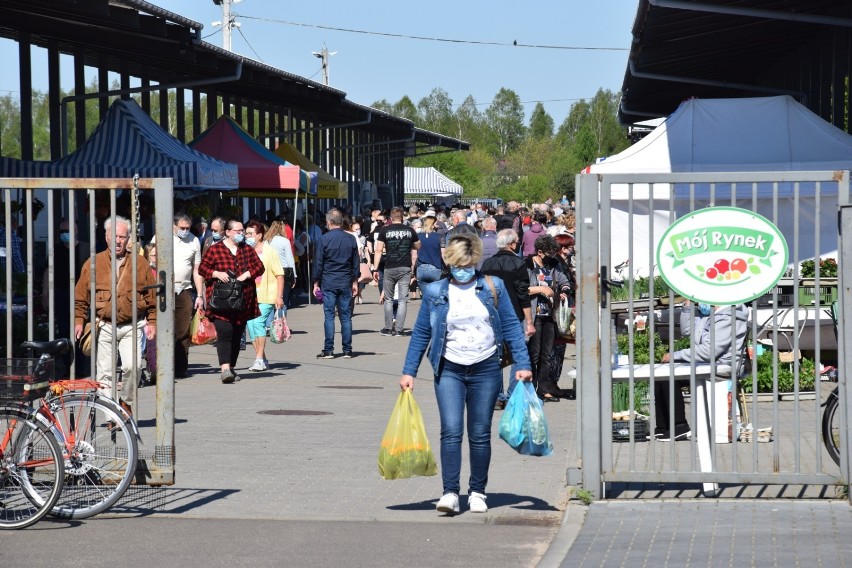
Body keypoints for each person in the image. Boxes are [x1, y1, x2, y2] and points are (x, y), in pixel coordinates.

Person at [400, 234, 533, 515]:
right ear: (450, 262)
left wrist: (523, 363)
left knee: (479, 434)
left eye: (468, 263)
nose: (463, 269)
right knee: (450, 431)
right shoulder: (436, 291)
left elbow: (511, 325)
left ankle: (477, 492)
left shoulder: (492, 286)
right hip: (448, 369)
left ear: (475, 262)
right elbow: (422, 332)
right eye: (458, 264)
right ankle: (450, 492)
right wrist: (408, 371)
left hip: (486, 369)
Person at [74, 215, 157, 406]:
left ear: (128, 239)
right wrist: (79, 320)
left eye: (123, 236)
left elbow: (150, 297)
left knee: (133, 367)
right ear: (106, 237)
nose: (118, 241)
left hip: (132, 324)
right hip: (104, 325)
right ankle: (111, 411)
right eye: (115, 236)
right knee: (105, 373)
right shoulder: (93, 263)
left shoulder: (140, 263)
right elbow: (81, 296)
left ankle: (125, 402)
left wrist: (152, 321)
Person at [657, 302, 749, 440]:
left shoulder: (727, 317)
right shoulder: (710, 315)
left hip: (723, 366)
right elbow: (687, 331)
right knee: (661, 374)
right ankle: (663, 427)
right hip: (706, 364)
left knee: (669, 376)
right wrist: (687, 308)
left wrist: (675, 355)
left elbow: (709, 351)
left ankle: (679, 426)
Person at [197, 219, 265, 384]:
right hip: (220, 302)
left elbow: (260, 267)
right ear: (227, 232)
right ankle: (225, 369)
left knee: (236, 335)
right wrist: (216, 273)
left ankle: (232, 367)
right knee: (225, 332)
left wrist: (247, 274)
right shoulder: (215, 249)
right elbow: (202, 269)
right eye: (238, 231)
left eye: (242, 231)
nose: (241, 234)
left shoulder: (247, 250)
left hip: (242, 301)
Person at [481, 229, 535, 407]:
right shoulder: (518, 263)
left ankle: (496, 395)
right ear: (512, 244)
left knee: (494, 353)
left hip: (491, 314)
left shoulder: (488, 263)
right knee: (516, 352)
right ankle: (513, 392)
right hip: (514, 313)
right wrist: (529, 321)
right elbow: (523, 294)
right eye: (517, 242)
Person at [152, 213, 205, 379]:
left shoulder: (194, 241)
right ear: (174, 226)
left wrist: (200, 295)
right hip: (163, 289)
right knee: (163, 330)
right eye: (182, 228)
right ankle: (161, 367)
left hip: (184, 289)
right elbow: (151, 258)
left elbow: (197, 269)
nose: (185, 231)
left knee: (182, 330)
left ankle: (180, 367)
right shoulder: (161, 237)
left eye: (188, 228)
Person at [526, 234, 572, 402]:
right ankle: (530, 388)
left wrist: (564, 291)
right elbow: (523, 289)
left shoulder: (553, 265)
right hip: (534, 314)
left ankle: (544, 388)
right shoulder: (527, 265)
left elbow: (563, 281)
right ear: (539, 252)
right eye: (548, 253)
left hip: (549, 315)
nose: (552, 257)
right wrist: (541, 290)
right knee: (534, 353)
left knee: (547, 354)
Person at [42, 218, 88, 378]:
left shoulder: (85, 249)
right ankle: (69, 368)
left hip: (81, 297)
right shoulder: (55, 250)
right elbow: (48, 272)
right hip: (61, 295)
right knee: (63, 333)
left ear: (75, 230)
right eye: (61, 231)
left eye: (66, 231)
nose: (63, 234)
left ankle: (80, 369)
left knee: (79, 333)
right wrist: (45, 293)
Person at [313, 209, 359, 359]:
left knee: (329, 316)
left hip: (328, 282)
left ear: (329, 222)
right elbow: (355, 263)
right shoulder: (351, 239)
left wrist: (315, 282)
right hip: (345, 281)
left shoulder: (324, 239)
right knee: (346, 317)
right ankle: (347, 350)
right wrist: (355, 281)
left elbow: (318, 263)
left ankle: (329, 350)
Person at [372, 207, 420, 337]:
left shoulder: (384, 230)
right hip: (405, 266)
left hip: (389, 266)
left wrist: (375, 268)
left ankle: (388, 328)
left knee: (388, 298)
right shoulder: (410, 230)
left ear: (391, 218)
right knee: (403, 299)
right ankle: (399, 329)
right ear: (403, 218)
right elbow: (418, 245)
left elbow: (378, 250)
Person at [245, 220, 284, 372]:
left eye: (250, 234)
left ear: (259, 235)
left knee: (258, 323)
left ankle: (259, 359)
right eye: (246, 233)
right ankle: (262, 358)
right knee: (251, 327)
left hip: (267, 294)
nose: (247, 236)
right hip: (249, 295)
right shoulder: (246, 251)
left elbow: (279, 274)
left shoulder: (269, 251)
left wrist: (279, 296)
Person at [265, 219, 297, 314]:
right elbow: (290, 259)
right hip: (284, 271)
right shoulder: (285, 241)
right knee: (283, 299)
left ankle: (271, 325)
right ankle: (281, 325)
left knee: (271, 299)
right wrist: (294, 276)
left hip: (271, 271)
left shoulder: (267, 241)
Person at [415, 212, 444, 287]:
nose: (438, 225)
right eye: (436, 223)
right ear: (433, 224)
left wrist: (412, 271)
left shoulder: (418, 237)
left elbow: (414, 256)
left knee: (425, 296)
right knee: (435, 294)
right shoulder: (440, 237)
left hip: (421, 267)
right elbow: (443, 254)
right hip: (435, 266)